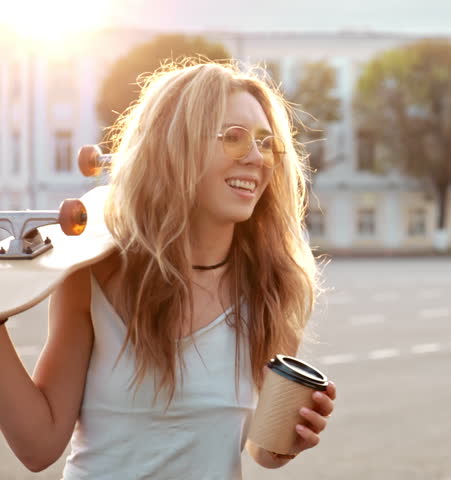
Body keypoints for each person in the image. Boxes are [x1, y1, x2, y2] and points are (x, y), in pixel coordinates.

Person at [0, 60, 335, 478]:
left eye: (266, 143)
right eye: (234, 138)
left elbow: (257, 448)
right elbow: (38, 445)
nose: (256, 158)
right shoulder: (93, 275)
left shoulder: (272, 288)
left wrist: (286, 441)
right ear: (175, 148)